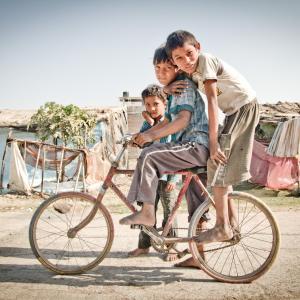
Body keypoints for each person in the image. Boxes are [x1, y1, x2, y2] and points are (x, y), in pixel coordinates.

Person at [165, 30, 260, 243]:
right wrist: (166, 88)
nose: (186, 61)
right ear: (173, 60)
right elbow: (176, 79)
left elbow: (212, 102)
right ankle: (231, 223)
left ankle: (222, 227)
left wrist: (214, 142)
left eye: (189, 53)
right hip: (235, 112)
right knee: (220, 168)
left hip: (243, 108)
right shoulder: (192, 71)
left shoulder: (206, 60)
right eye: (179, 58)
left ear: (198, 46)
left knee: (217, 162)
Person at [119, 44, 210, 267]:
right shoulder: (173, 91)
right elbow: (168, 121)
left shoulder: (182, 88)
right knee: (196, 206)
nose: (160, 72)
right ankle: (200, 258)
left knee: (149, 156)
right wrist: (145, 134)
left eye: (166, 67)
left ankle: (147, 212)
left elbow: (181, 121)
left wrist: (149, 139)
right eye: (156, 68)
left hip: (194, 145)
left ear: (177, 67)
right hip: (193, 149)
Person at [128, 84, 180, 261]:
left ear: (165, 103)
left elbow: (176, 150)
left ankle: (172, 247)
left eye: (156, 104)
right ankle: (144, 246)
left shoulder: (172, 122)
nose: (152, 108)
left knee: (169, 211)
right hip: (150, 176)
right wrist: (139, 134)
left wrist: (174, 177)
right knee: (146, 210)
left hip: (168, 175)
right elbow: (143, 140)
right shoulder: (147, 122)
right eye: (148, 104)